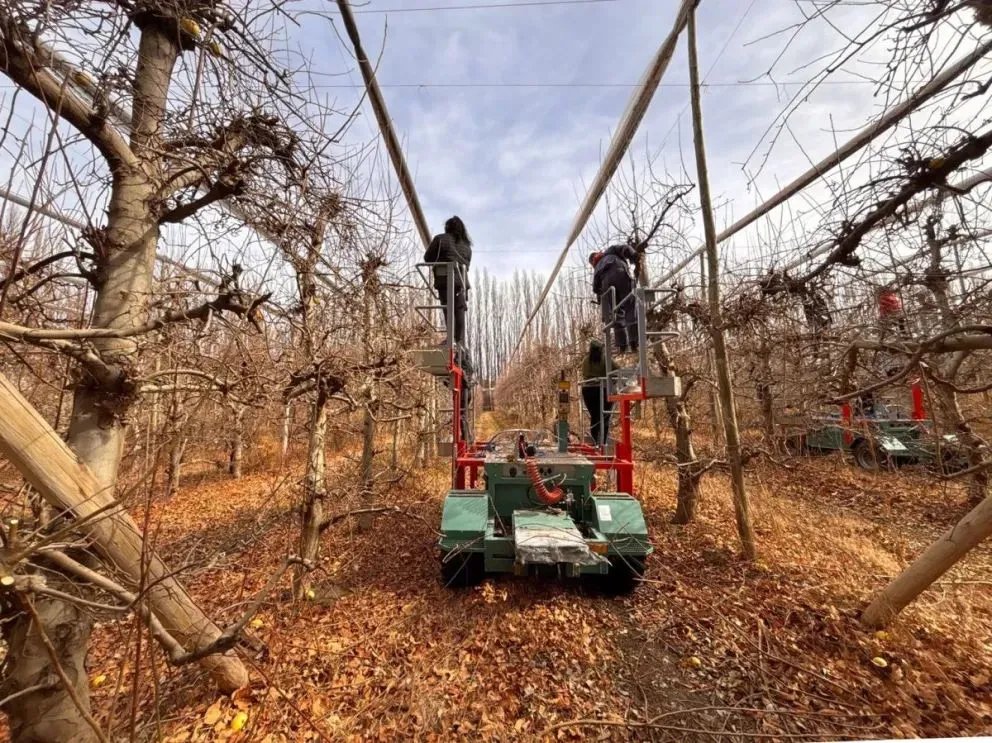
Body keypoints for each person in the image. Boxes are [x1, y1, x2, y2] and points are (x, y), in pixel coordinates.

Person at [424, 216, 472, 346]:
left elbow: (427, 258)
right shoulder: (467, 247)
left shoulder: (440, 239)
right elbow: (467, 265)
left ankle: (451, 340)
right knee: (459, 310)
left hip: (445, 280)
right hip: (461, 284)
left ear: (447, 227)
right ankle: (459, 342)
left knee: (448, 309)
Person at [590, 241, 643, 356]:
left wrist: (601, 302)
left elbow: (595, 288)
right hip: (620, 274)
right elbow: (625, 248)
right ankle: (635, 343)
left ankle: (622, 346)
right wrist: (635, 256)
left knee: (617, 314)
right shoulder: (610, 251)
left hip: (607, 286)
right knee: (630, 306)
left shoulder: (597, 269)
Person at [580, 339, 614, 447]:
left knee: (595, 416)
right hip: (602, 390)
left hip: (588, 390)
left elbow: (584, 373)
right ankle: (603, 442)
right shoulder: (605, 360)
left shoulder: (585, 360)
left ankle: (595, 441)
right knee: (605, 416)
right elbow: (618, 369)